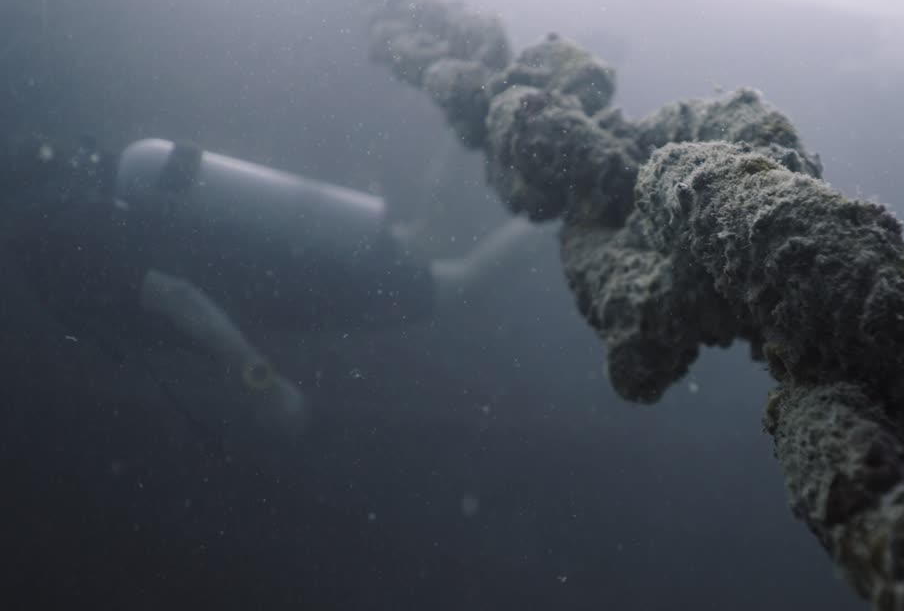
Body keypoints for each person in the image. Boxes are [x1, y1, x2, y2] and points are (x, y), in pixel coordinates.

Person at [1, 133, 538, 444]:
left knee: (463, 283)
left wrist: (263, 383)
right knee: (423, 240)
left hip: (277, 276)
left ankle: (579, 202)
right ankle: (481, 118)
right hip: (272, 246)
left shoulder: (48, 239)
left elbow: (175, 296)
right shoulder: (65, 193)